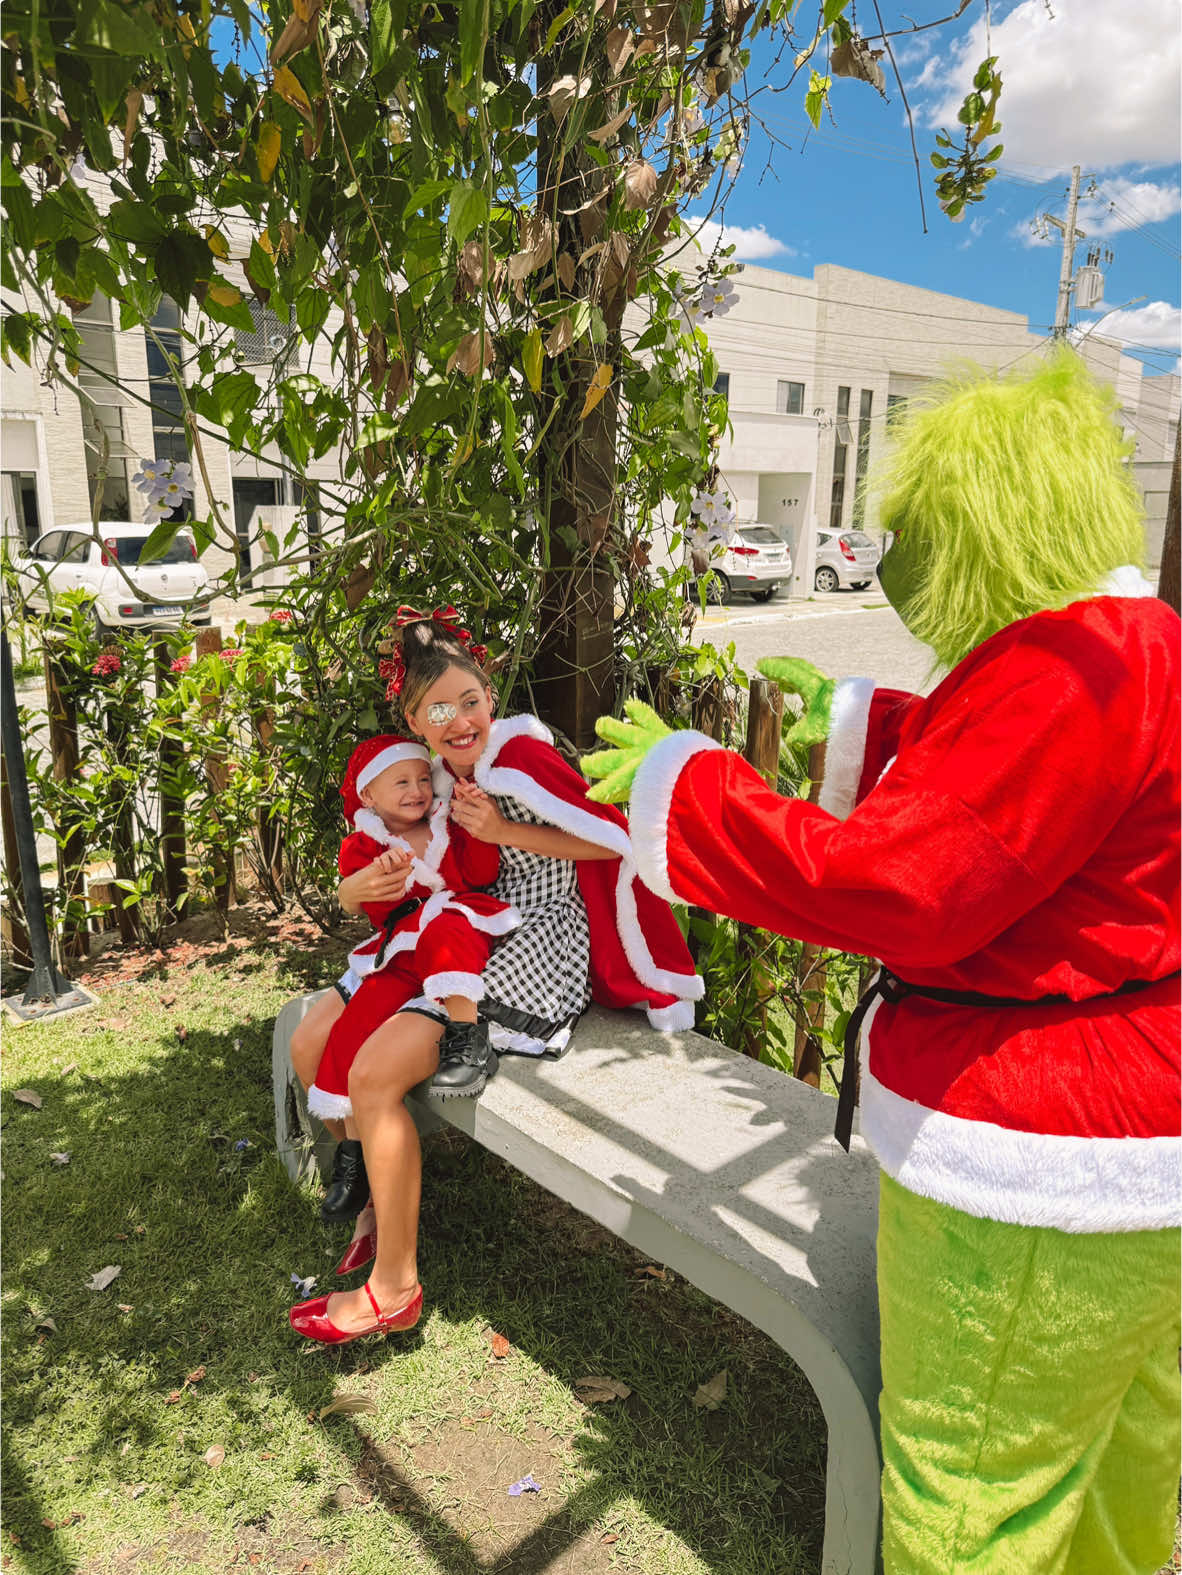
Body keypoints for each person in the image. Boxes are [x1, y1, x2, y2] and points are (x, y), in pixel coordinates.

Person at [583, 352, 1180, 1574]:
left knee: (972, 1494)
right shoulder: (1137, 645)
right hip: (1138, 1138)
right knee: (1122, 1460)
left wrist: (688, 786)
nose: (891, 556)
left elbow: (904, 883)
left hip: (1040, 1157)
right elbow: (1032, 804)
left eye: (913, 530)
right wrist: (857, 722)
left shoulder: (1076, 670)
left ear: (980, 528)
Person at [288, 611, 701, 1344]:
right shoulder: (435, 779)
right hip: (471, 936)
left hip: (536, 945)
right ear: (414, 720)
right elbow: (403, 878)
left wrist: (504, 831)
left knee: (376, 1072)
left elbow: (610, 841)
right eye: (438, 710)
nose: (459, 720)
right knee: (321, 1032)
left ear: (489, 694)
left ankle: (394, 1285)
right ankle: (375, 1213)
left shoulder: (518, 761)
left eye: (470, 700)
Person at [296, 732, 521, 1231]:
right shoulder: (364, 845)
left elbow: (479, 874)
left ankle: (467, 1037)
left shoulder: (445, 823)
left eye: (423, 778)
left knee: (448, 925)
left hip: (454, 928)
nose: (417, 789)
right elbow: (377, 910)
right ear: (369, 796)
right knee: (351, 1029)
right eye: (400, 781)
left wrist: (475, 829)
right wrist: (384, 876)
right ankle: (352, 1156)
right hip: (401, 949)